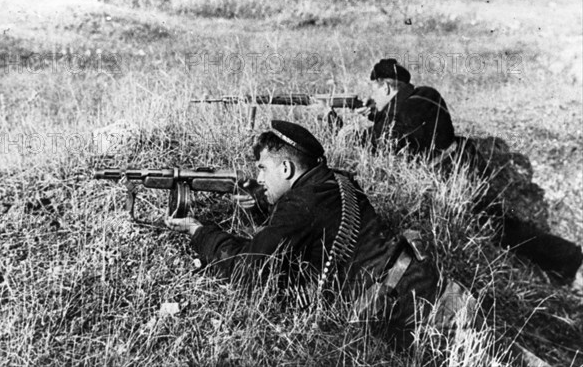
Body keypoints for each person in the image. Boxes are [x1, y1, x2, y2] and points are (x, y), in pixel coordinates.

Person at [166, 120, 454, 349]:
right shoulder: (338, 182)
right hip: (434, 288)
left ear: (287, 168)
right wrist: (260, 210)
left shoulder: (301, 204)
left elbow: (250, 268)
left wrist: (200, 232)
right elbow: (312, 232)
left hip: (417, 316)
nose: (259, 179)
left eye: (264, 169)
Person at [362, 58, 583, 284]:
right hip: (464, 172)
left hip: (459, 185)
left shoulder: (406, 111)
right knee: (505, 230)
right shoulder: (424, 95)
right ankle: (569, 262)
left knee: (502, 231)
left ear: (386, 87)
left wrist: (352, 128)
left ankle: (572, 262)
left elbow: (383, 140)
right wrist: (376, 112)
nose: (373, 99)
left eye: (374, 92)